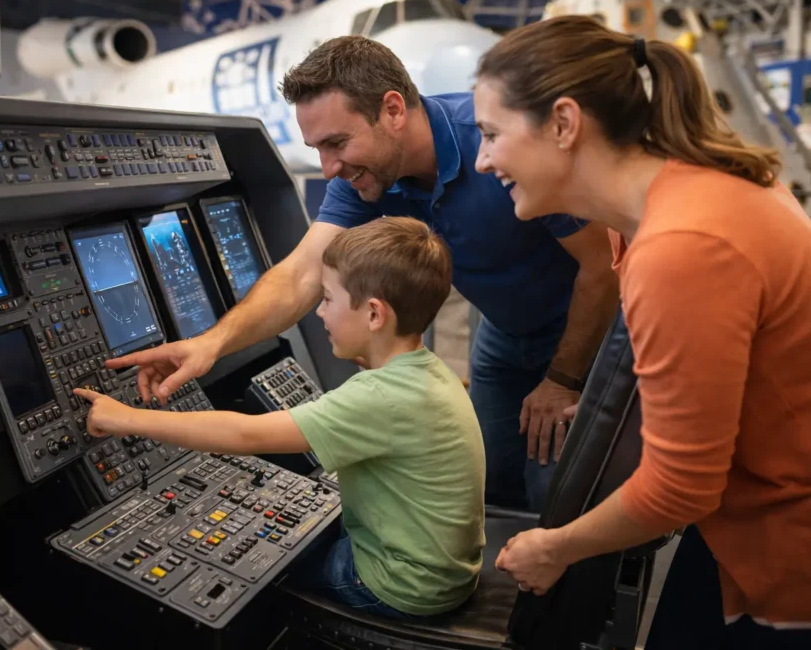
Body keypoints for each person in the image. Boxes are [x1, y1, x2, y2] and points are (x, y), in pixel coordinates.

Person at [101, 35, 620, 512]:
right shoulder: (366, 175)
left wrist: (562, 378)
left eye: (336, 143)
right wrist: (210, 345)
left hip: (586, 330)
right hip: (505, 334)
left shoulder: (496, 147)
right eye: (318, 151)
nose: (328, 168)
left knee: (557, 493)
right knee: (496, 487)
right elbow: (303, 274)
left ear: (392, 109)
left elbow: (602, 268)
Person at [473, 15, 811, 648]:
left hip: (806, 545)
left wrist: (555, 547)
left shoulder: (682, 247)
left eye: (492, 133)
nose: (483, 160)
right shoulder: (672, 198)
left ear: (564, 124)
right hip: (756, 507)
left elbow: (681, 485)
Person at [76, 217, 487, 619]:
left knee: (257, 573)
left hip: (395, 587)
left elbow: (246, 434)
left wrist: (124, 417)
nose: (319, 313)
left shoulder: (378, 397)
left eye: (327, 299)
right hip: (442, 572)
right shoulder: (425, 371)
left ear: (375, 315)